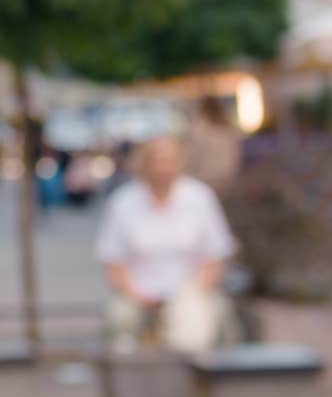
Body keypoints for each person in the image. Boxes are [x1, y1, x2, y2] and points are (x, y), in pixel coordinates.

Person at [95, 135, 239, 354]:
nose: (162, 169)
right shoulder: (123, 202)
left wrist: (192, 292)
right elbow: (114, 263)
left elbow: (216, 257)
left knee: (198, 326)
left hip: (190, 289)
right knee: (121, 323)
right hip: (138, 292)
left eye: (169, 161)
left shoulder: (199, 198)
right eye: (156, 161)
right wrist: (138, 294)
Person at [184, 96, 243, 194]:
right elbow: (236, 153)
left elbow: (192, 154)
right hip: (227, 179)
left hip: (204, 178)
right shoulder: (227, 126)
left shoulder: (200, 126)